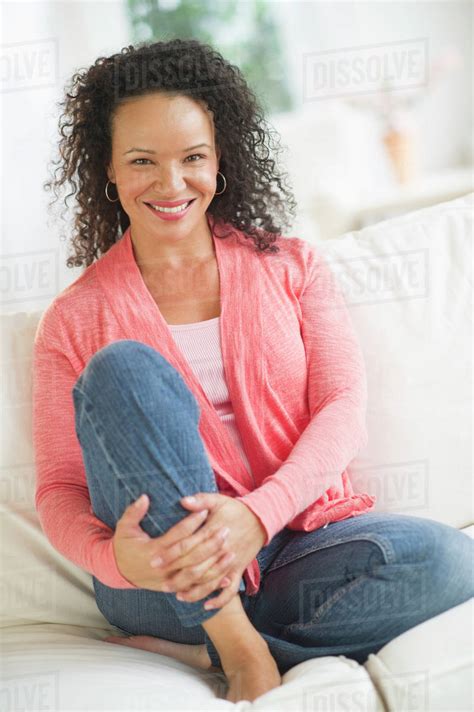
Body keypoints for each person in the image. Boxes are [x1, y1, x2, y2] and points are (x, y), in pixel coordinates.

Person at [33, 39, 473, 704]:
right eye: (143, 161)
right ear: (109, 171)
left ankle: (211, 646)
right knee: (123, 367)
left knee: (450, 562)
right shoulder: (74, 318)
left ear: (221, 161)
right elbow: (61, 489)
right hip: (162, 578)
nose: (171, 183)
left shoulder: (293, 266)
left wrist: (257, 519)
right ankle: (235, 647)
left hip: (295, 548)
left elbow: (342, 405)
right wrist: (113, 561)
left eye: (193, 158)